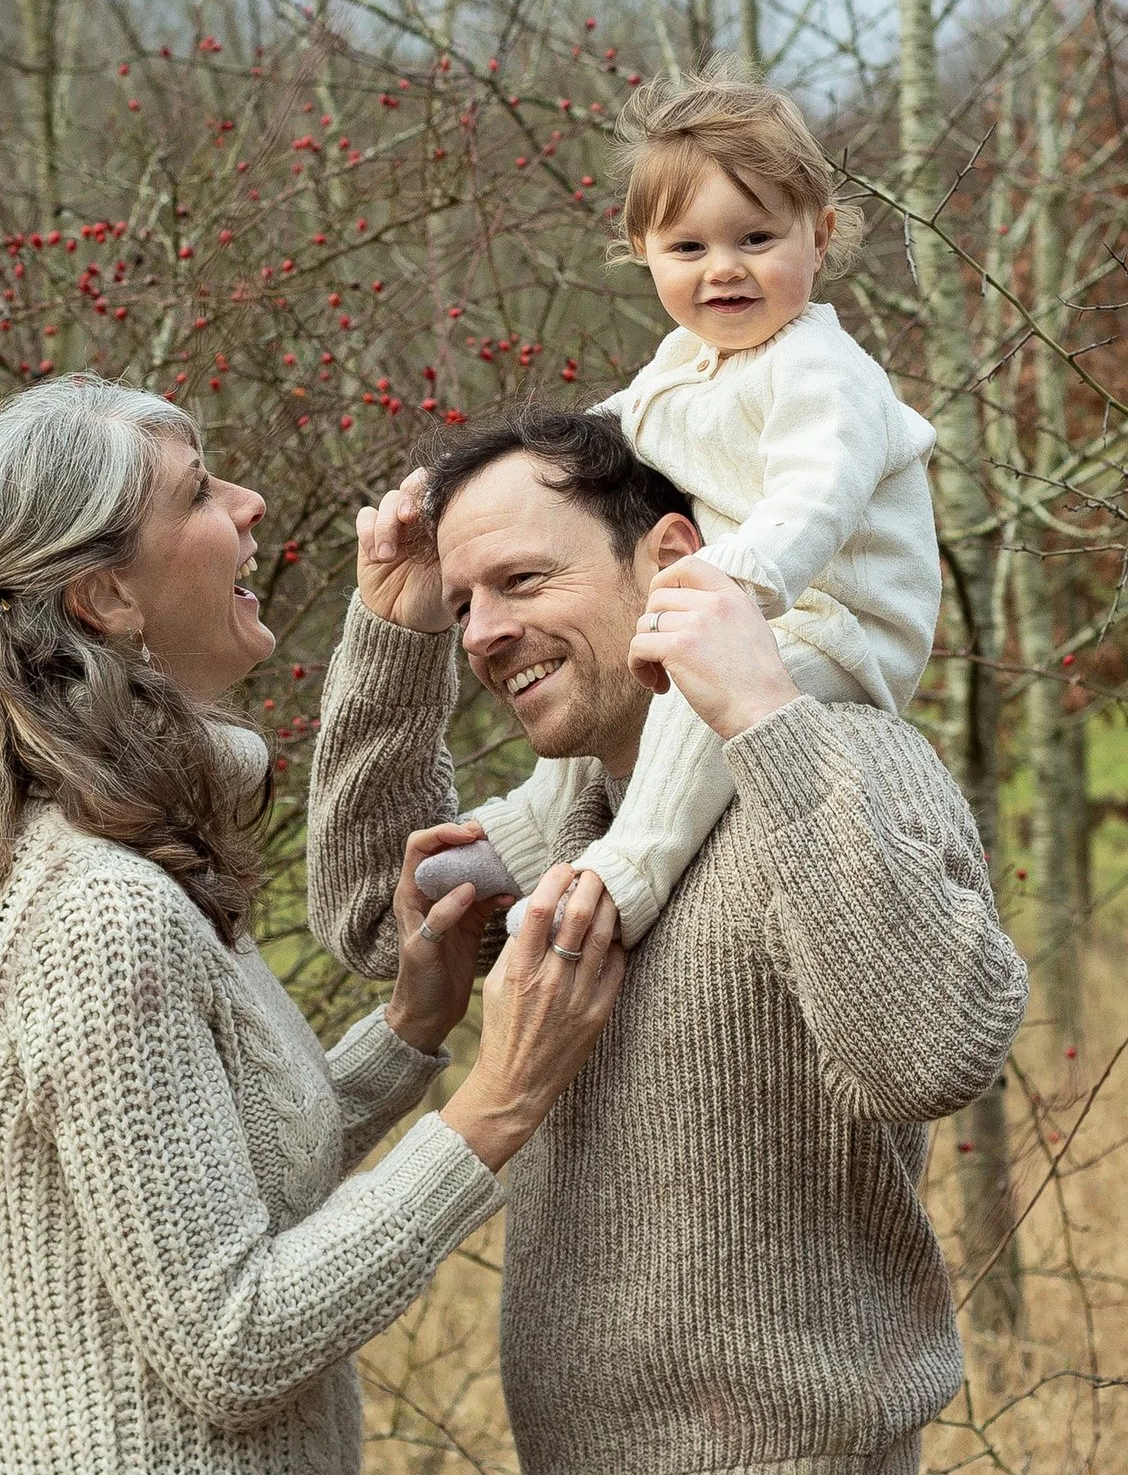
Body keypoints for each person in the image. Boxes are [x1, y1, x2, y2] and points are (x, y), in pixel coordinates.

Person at [0, 375, 625, 1475]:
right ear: (108, 597)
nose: (252, 503)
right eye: (201, 490)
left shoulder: (89, 855)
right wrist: (502, 1100)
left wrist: (408, 1030)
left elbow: (213, 1178)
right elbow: (232, 1341)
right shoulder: (95, 912)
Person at [307, 407, 1028, 1474]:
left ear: (673, 562)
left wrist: (762, 715)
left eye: (521, 582)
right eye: (465, 606)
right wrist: (395, 632)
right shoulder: (576, 812)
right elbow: (380, 909)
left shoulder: (838, 757)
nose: (481, 634)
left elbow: (931, 1054)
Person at [415, 59, 941, 950]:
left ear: (819, 237)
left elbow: (818, 495)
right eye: (689, 249)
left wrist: (738, 587)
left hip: (835, 623)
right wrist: (475, 487)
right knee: (625, 682)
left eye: (756, 239)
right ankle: (530, 834)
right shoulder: (684, 361)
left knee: (693, 694)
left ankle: (630, 874)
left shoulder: (824, 371)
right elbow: (612, 429)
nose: (723, 270)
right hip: (750, 603)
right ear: (642, 253)